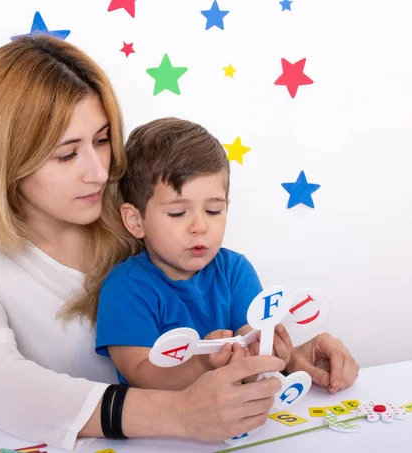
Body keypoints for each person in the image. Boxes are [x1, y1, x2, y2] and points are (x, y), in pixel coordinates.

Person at [0, 34, 359, 451]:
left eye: (101, 140)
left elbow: (210, 318)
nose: (98, 172)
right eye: (66, 153)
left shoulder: (133, 215)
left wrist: (287, 353)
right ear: (3, 160)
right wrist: (180, 414)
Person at [95, 117, 294, 389]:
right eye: (178, 213)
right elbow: (140, 375)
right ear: (135, 220)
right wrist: (203, 364)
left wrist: (269, 352)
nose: (200, 227)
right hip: (160, 428)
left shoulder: (235, 271)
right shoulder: (125, 288)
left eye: (214, 211)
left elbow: (251, 353)